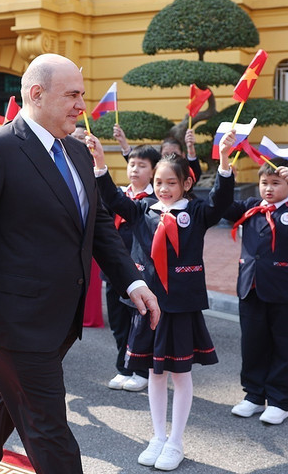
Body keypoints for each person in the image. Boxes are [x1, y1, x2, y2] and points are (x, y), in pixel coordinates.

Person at [0, 53, 160, 474]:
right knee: (49, 429)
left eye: (83, 95)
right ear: (36, 94)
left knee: (3, 405)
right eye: (73, 95)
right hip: (14, 323)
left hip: (60, 318)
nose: (82, 105)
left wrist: (132, 283)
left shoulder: (78, 153)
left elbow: (98, 228)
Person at [90, 132, 234, 471]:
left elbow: (221, 201)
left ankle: (176, 441)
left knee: (179, 374)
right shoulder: (142, 210)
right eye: (158, 182)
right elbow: (111, 197)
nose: (164, 188)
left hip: (181, 306)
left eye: (171, 182)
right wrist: (99, 162)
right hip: (148, 307)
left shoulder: (197, 212)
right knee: (155, 374)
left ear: (186, 183)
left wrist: (225, 162)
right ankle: (157, 436)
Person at [224, 157, 288, 425]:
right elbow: (221, 206)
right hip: (251, 288)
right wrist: (225, 175)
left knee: (284, 346)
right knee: (253, 344)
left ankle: (280, 400)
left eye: (276, 183)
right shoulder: (250, 207)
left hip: (284, 291)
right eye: (264, 183)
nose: (268, 189)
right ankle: (254, 395)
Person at [102, 144, 161, 392]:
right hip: (114, 268)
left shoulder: (155, 202)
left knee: (140, 320)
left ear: (154, 170)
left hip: (141, 271)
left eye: (142, 165)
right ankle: (124, 367)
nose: (135, 170)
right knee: (118, 321)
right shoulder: (117, 195)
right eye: (132, 164)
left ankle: (141, 369)